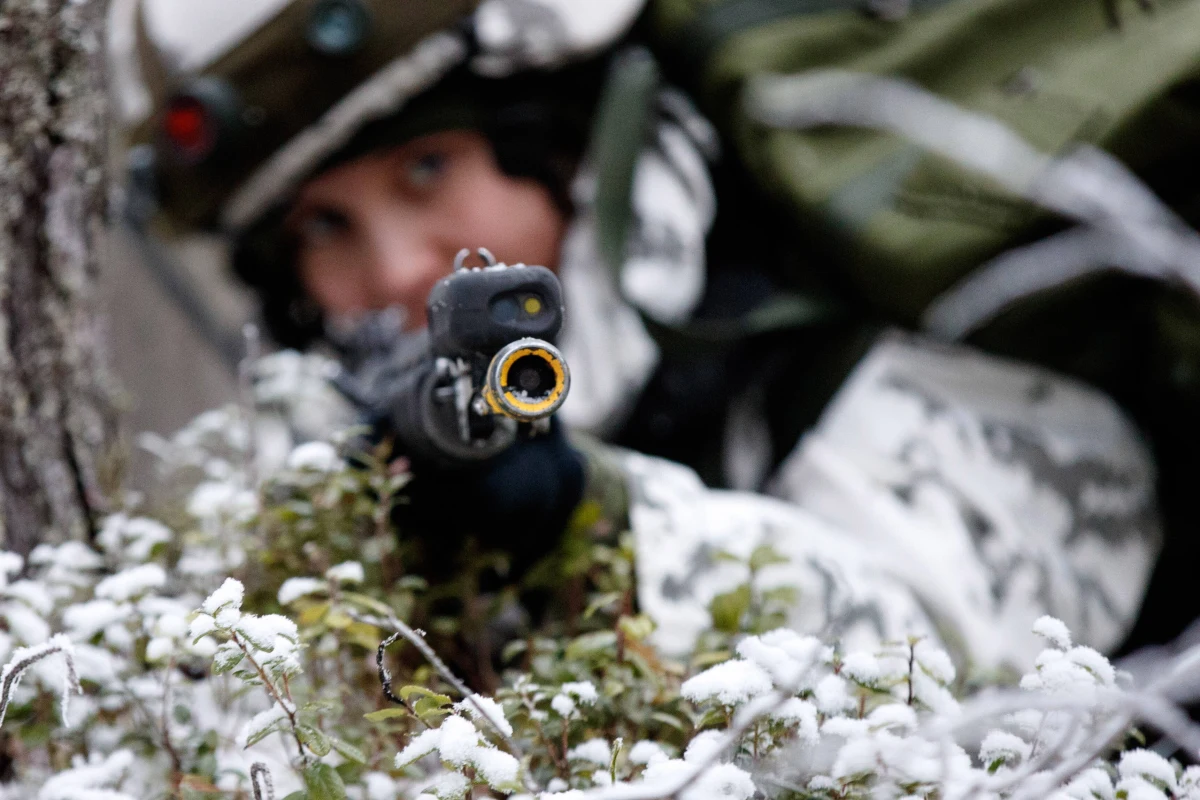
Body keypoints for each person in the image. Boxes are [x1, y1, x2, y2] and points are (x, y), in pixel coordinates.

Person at [128, 0, 1200, 676]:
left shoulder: (858, 349)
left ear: (561, 136)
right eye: (325, 227)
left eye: (427, 169)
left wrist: (581, 521)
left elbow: (928, 661)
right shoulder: (339, 428)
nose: (399, 267)